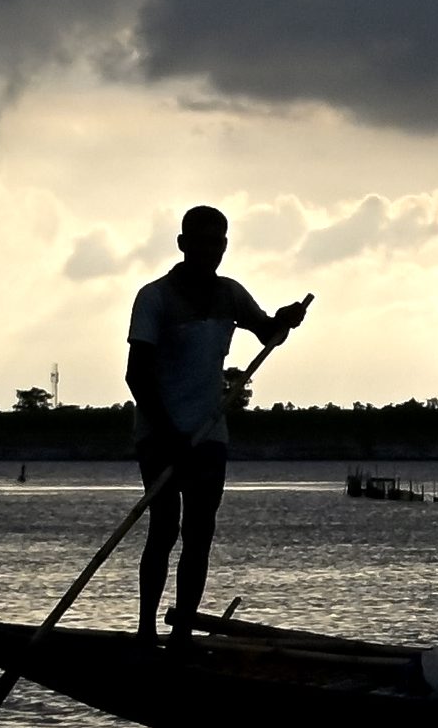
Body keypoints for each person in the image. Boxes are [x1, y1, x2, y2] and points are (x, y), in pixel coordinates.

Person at [124, 205, 306, 639]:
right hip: (160, 433)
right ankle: (147, 630)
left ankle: (182, 630)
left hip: (208, 434)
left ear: (225, 245)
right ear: (183, 244)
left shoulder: (230, 294)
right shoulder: (155, 298)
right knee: (164, 527)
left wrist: (285, 320)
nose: (211, 250)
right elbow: (137, 374)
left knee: (199, 533)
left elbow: (266, 332)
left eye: (218, 242)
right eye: (202, 241)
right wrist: (169, 433)